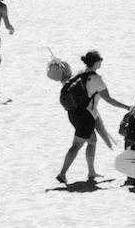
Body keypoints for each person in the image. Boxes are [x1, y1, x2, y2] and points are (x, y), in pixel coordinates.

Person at [56, 50, 130, 184]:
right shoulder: (96, 79)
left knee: (92, 141)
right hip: (86, 116)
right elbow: (108, 99)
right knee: (77, 145)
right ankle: (62, 173)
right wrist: (126, 107)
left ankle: (91, 172)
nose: (101, 61)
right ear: (96, 62)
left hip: (73, 113)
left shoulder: (79, 73)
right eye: (100, 60)